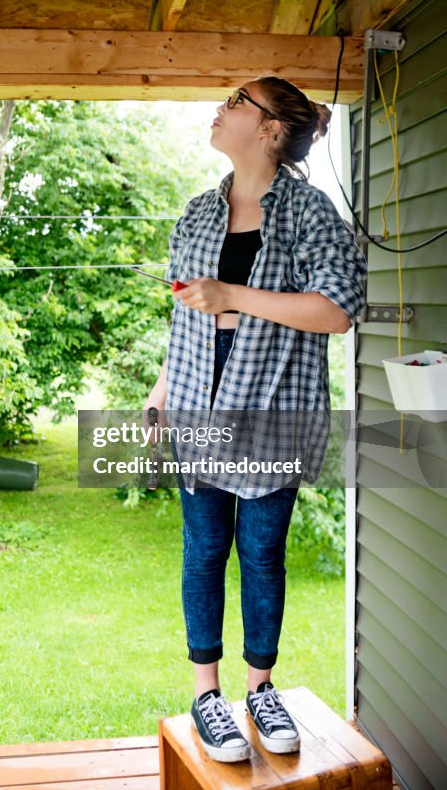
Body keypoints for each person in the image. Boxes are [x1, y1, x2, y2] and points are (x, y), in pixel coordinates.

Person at [143, 76, 368, 762]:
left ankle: (260, 690)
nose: (220, 109)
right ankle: (207, 696)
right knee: (204, 552)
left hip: (273, 413)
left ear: (271, 130)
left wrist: (234, 295)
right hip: (195, 409)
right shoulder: (196, 214)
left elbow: (334, 310)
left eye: (237, 102)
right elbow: (187, 315)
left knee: (262, 555)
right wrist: (158, 390)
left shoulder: (309, 213)